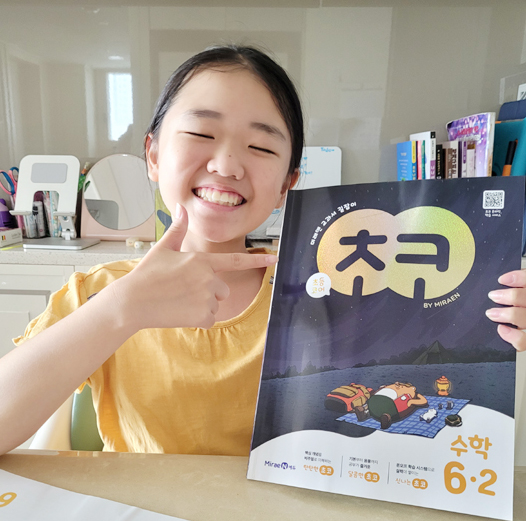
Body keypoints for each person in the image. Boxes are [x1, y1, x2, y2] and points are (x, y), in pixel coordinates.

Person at [0, 44, 525, 455]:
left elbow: (419, 363)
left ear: (287, 183)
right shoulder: (97, 293)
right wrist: (122, 309)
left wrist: (498, 317)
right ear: (154, 155)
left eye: (260, 146)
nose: (227, 165)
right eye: (201, 133)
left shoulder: (326, 294)